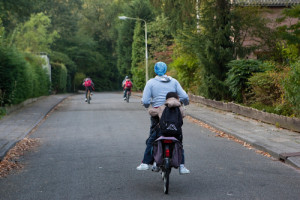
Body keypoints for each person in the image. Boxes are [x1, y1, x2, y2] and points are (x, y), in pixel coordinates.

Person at [137, 61, 190, 174]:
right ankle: (181, 165)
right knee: (178, 137)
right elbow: (184, 96)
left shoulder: (151, 83)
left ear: (155, 71)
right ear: (166, 70)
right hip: (173, 114)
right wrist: (185, 103)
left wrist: (147, 105)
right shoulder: (174, 82)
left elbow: (146, 101)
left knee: (153, 137)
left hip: (157, 114)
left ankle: (146, 162)